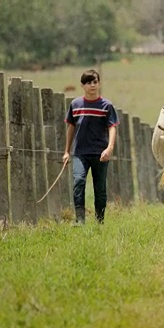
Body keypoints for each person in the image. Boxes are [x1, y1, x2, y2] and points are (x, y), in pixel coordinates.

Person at [63, 69, 119, 225]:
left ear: (99, 84)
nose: (92, 85)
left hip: (100, 153)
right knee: (78, 181)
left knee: (100, 188)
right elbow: (71, 128)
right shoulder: (75, 104)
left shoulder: (106, 106)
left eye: (95, 82)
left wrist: (109, 148)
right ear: (82, 85)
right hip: (80, 152)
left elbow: (112, 127)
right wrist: (66, 151)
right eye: (89, 82)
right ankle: (80, 220)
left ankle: (99, 221)